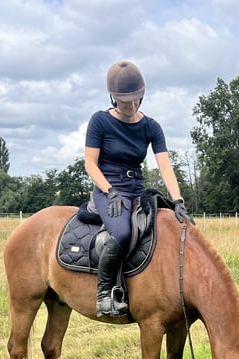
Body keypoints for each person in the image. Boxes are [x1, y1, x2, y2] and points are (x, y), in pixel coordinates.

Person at [84, 60, 193, 318]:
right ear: (113, 97)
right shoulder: (99, 121)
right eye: (124, 101)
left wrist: (177, 201)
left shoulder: (151, 127)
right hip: (108, 189)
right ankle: (102, 296)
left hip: (137, 189)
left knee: (168, 228)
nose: (131, 106)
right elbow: (90, 163)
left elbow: (165, 167)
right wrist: (108, 190)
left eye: (135, 99)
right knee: (122, 232)